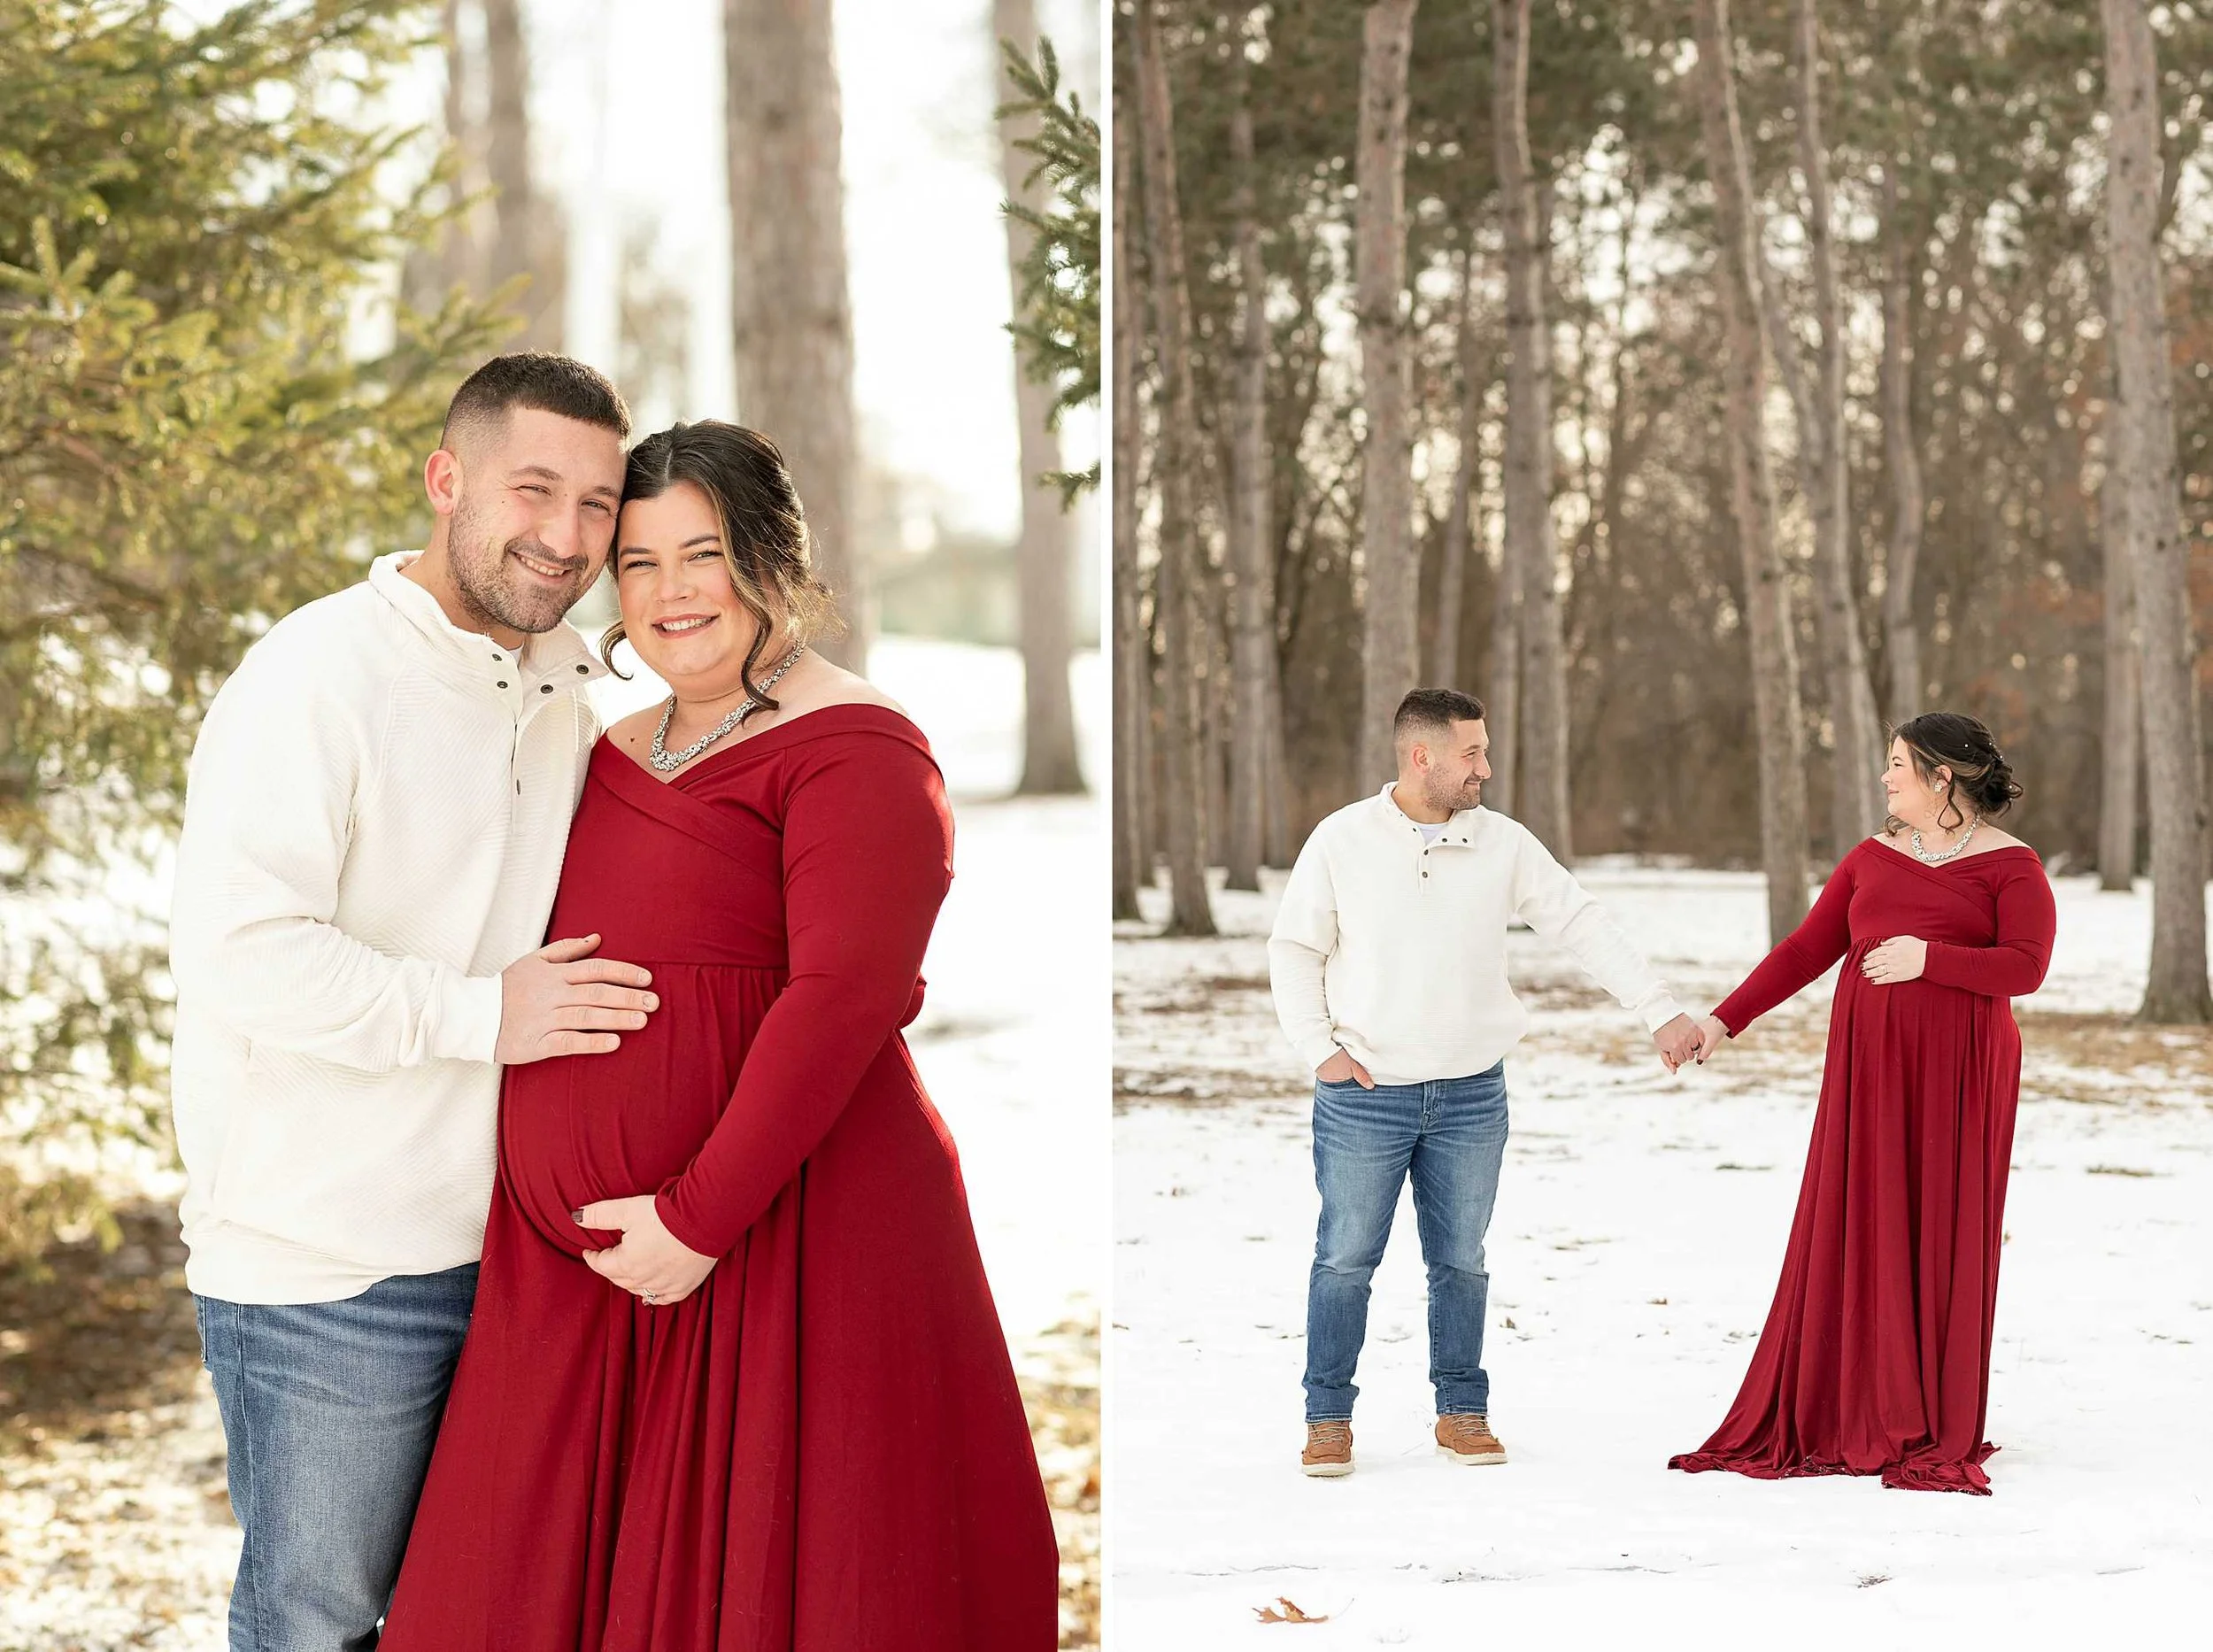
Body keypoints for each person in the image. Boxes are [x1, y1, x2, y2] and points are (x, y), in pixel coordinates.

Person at [381, 421, 1059, 1651]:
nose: (671, 591)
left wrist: (696, 1219)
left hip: (779, 1243)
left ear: (772, 560)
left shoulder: (860, 747)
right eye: (637, 563)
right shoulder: (608, 746)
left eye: (704, 553)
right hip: (584, 1276)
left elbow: (844, 998)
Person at [168, 352, 662, 1650]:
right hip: (326, 1265)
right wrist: (478, 1014)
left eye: (599, 505)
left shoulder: (568, 686)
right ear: (447, 480)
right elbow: (242, 948)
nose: (565, 538)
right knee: (318, 1624)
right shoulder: (316, 675)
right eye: (533, 489)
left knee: (483, 1621)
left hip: (515, 1253)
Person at [1268, 688, 1703, 1478]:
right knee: (1344, 1259)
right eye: (1472, 753)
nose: (1486, 768)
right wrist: (1318, 1049)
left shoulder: (1501, 844)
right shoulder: (1341, 840)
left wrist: (1659, 1011)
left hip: (1471, 1093)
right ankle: (1327, 1418)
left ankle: (1461, 1411)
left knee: (1461, 1260)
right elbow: (1295, 949)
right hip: (1365, 1094)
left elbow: (1580, 922)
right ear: (1420, 755)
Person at [1670, 712, 2055, 1494]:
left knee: (1939, 1225)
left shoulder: (2012, 868)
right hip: (1870, 1077)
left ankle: (1926, 1409)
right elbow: (1807, 949)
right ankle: (1853, 1397)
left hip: (1960, 1080)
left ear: (1943, 777)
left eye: (1898, 765)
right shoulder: (1871, 858)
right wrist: (1723, 1020)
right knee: (1865, 1219)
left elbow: (2026, 968)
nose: (1885, 778)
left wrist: (1930, 961)